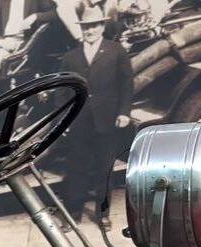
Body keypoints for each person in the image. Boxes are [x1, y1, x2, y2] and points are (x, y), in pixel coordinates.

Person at [57, 6, 133, 227]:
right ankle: (73, 214)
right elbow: (61, 90)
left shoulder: (116, 51)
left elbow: (126, 84)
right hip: (79, 121)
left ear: (101, 27)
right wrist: (64, 119)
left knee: (104, 168)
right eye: (86, 27)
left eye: (93, 26)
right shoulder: (71, 56)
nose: (89, 30)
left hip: (107, 121)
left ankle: (103, 214)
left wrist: (124, 112)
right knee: (76, 168)